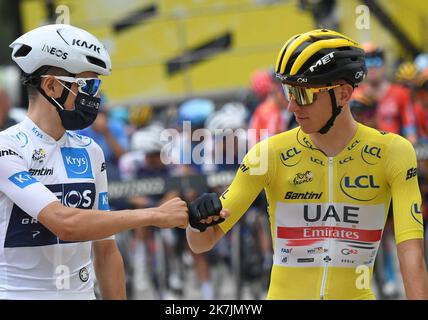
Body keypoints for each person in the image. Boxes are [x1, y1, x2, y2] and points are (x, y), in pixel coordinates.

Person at [186, 29, 428, 299]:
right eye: (289, 91)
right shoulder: (268, 154)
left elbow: (411, 252)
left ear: (344, 94)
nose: (292, 106)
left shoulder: (393, 152)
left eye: (304, 95)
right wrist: (197, 223)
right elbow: (202, 243)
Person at [1, 24, 188, 300]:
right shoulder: (7, 147)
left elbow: (106, 248)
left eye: (96, 84)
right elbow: (65, 223)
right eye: (87, 84)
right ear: (51, 86)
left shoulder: (91, 151)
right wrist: (154, 214)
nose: (95, 95)